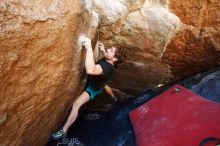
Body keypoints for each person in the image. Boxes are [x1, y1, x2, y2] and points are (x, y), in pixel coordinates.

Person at [51, 37, 119, 140]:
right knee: (105, 86)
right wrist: (103, 50)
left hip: (93, 88)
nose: (108, 49)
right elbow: (107, 57)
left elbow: (90, 70)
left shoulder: (108, 68)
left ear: (115, 59)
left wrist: (89, 48)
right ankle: (113, 96)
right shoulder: (111, 62)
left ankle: (64, 130)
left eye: (111, 51)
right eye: (109, 49)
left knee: (76, 105)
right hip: (99, 82)